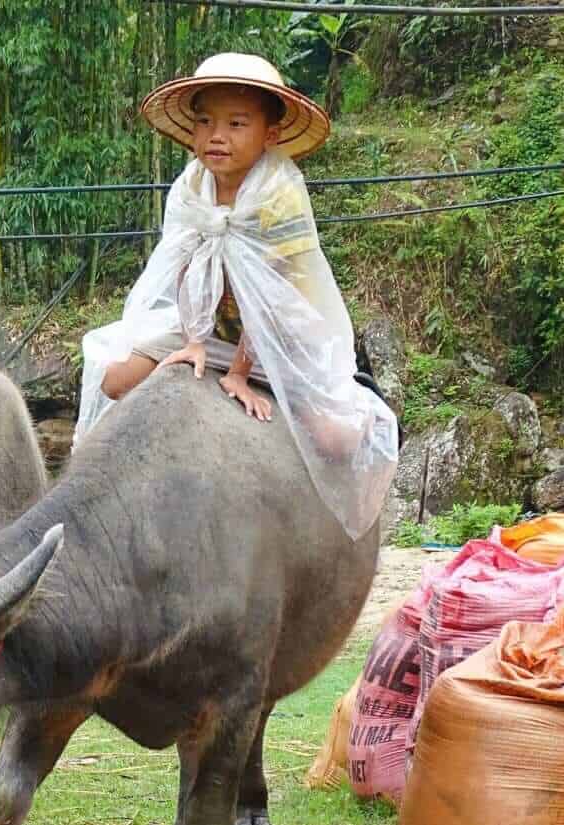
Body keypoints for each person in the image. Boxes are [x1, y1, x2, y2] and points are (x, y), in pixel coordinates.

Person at [74, 52, 398, 541]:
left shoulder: (280, 192)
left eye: (236, 123)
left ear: (269, 133)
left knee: (336, 438)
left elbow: (275, 295)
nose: (216, 135)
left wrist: (242, 372)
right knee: (114, 381)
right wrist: (194, 339)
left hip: (278, 332)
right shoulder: (191, 185)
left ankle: (360, 399)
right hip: (206, 323)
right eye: (205, 122)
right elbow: (180, 265)